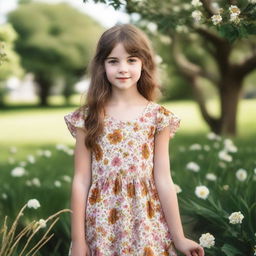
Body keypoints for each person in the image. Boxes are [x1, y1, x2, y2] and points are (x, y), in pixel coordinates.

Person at [64, 24, 204, 256]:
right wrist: (78, 241)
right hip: (101, 226)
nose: (123, 68)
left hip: (147, 224)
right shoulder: (88, 117)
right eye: (113, 61)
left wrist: (180, 238)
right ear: (102, 65)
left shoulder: (158, 117)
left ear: (144, 63)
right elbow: (80, 180)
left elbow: (163, 179)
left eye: (131, 60)